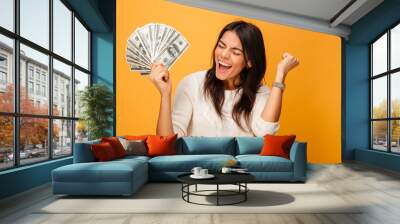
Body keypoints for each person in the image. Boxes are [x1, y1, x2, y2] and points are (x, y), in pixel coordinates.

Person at [148, 20, 299, 137]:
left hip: (239, 175)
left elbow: (266, 134)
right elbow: (167, 143)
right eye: (221, 46)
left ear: (249, 61)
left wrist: (280, 74)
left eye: (235, 52)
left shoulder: (261, 93)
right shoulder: (192, 84)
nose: (224, 55)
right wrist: (165, 94)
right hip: (196, 174)